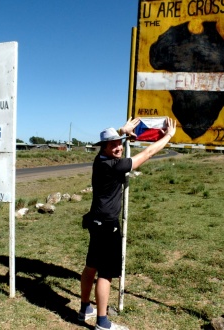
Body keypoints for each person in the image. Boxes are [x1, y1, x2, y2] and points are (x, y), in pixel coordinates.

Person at [79, 117, 177, 330]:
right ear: (104, 147)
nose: (118, 148)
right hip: (107, 224)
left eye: (118, 143)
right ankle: (103, 323)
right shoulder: (116, 166)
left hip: (95, 221)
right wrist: (168, 136)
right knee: (105, 273)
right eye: (112, 145)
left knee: (91, 266)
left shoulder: (99, 160)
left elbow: (117, 148)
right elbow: (147, 153)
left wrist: (123, 133)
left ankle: (85, 308)